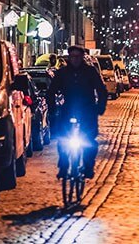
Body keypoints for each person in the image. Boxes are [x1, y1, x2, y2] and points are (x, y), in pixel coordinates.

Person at [46, 45, 107, 179]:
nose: (75, 60)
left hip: (87, 111)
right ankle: (63, 166)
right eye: (72, 56)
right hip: (68, 110)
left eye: (78, 57)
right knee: (63, 139)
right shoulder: (62, 73)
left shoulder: (90, 72)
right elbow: (51, 91)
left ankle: (88, 167)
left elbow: (101, 90)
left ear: (82, 57)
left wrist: (100, 107)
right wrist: (52, 108)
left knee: (89, 141)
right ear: (69, 57)